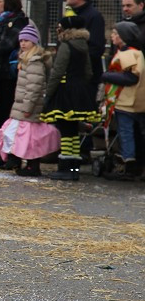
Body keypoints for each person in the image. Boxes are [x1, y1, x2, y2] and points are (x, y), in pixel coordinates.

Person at [40, 15, 101, 181]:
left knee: (66, 130)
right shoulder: (83, 45)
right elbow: (88, 72)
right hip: (81, 91)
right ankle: (74, 167)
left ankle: (65, 167)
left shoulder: (66, 46)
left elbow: (57, 72)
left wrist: (49, 94)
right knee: (74, 130)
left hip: (66, 92)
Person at [0, 24, 59, 176]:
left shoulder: (34, 62)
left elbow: (34, 87)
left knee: (29, 138)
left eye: (27, 40)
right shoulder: (26, 59)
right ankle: (30, 164)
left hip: (28, 108)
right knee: (26, 137)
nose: (23, 43)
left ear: (34, 42)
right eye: (21, 41)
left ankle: (33, 166)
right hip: (24, 106)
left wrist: (27, 107)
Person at [0, 0, 31, 166]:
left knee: (10, 117)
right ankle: (2, 154)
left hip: (10, 76)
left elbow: (5, 45)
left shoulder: (19, 21)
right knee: (0, 116)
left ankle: (13, 156)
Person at [100, 21, 145, 180]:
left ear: (123, 37)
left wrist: (106, 76)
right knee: (136, 133)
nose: (111, 36)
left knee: (126, 133)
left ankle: (130, 164)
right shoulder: (137, 53)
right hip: (135, 102)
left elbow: (131, 77)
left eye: (114, 33)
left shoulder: (128, 54)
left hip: (126, 102)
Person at [64, 0, 106, 94]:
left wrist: (77, 60)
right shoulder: (70, 14)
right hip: (70, 74)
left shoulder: (94, 16)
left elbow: (96, 47)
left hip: (86, 76)